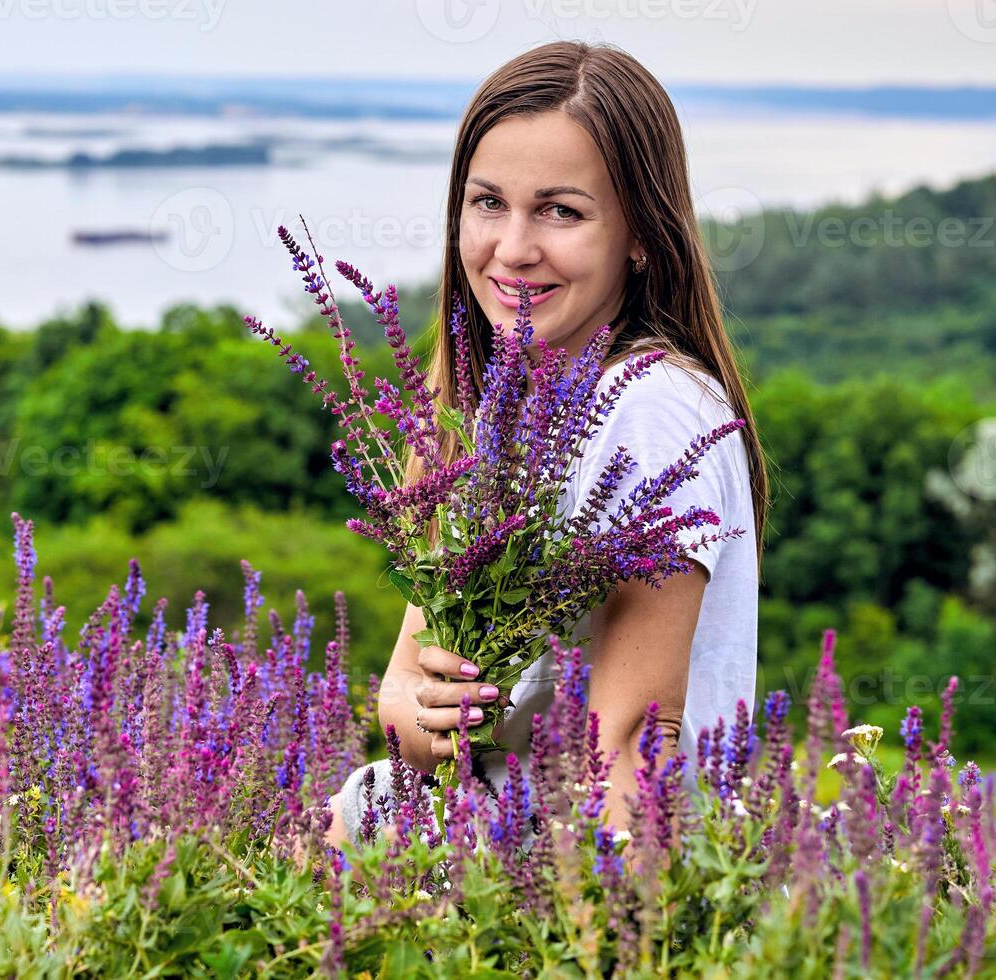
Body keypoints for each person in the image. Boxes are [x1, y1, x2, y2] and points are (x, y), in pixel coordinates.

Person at [325, 39, 772, 849]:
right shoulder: (492, 410)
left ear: (641, 234)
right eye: (488, 202)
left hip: (528, 882)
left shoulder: (650, 408)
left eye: (561, 211)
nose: (514, 247)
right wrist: (426, 715)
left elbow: (631, 756)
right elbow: (401, 697)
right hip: (447, 840)